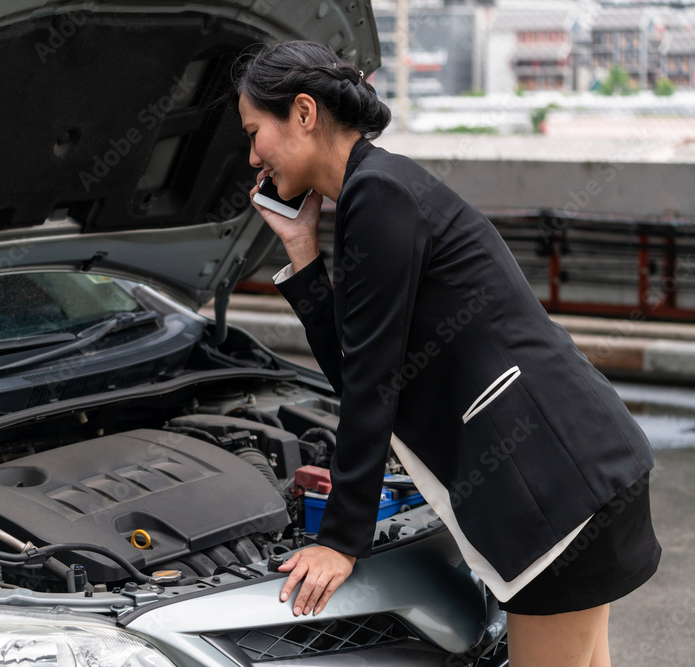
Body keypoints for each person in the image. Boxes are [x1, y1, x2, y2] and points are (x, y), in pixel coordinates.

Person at [233, 40, 660, 666]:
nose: (251, 158)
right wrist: (302, 250)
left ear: (303, 113)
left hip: (554, 491)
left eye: (253, 132)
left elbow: (373, 385)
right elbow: (361, 369)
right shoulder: (376, 190)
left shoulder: (379, 196)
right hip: (578, 476)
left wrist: (340, 542)